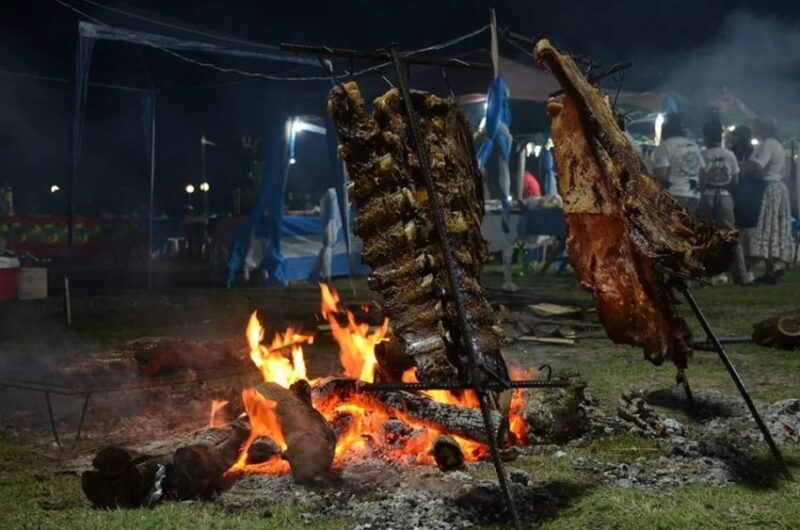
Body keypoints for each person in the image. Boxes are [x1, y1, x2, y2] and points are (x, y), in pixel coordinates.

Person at [739, 118, 793, 283]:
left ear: (762, 128)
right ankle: (772, 268)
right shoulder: (774, 143)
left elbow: (758, 165)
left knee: (768, 226)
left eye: (755, 127)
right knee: (773, 227)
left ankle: (773, 266)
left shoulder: (768, 144)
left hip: (769, 188)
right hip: (777, 187)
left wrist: (739, 165)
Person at [697, 121, 750, 285]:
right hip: (725, 195)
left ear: (706, 136)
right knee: (730, 236)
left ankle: (704, 276)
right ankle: (740, 276)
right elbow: (735, 179)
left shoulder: (702, 154)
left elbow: (701, 179)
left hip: (707, 195)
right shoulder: (730, 155)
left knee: (704, 235)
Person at [652, 114, 704, 212]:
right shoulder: (693, 145)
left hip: (675, 194)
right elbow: (702, 171)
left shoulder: (665, 145)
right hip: (694, 195)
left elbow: (661, 175)